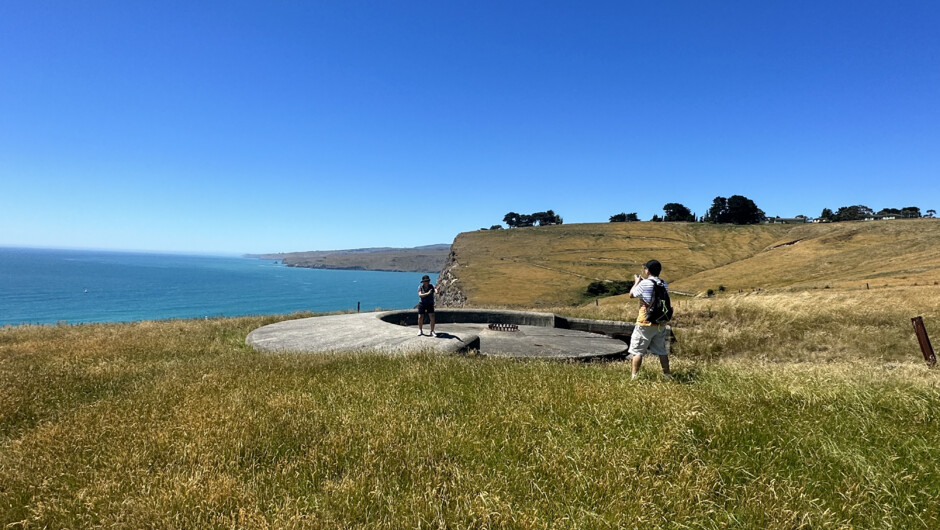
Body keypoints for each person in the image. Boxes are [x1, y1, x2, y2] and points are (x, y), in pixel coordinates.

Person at [628, 259, 671, 380]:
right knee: (662, 351)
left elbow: (631, 294)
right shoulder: (664, 283)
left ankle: (634, 377)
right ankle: (667, 375)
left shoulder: (644, 283)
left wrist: (637, 282)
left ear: (648, 271)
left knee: (638, 351)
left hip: (645, 322)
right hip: (660, 322)